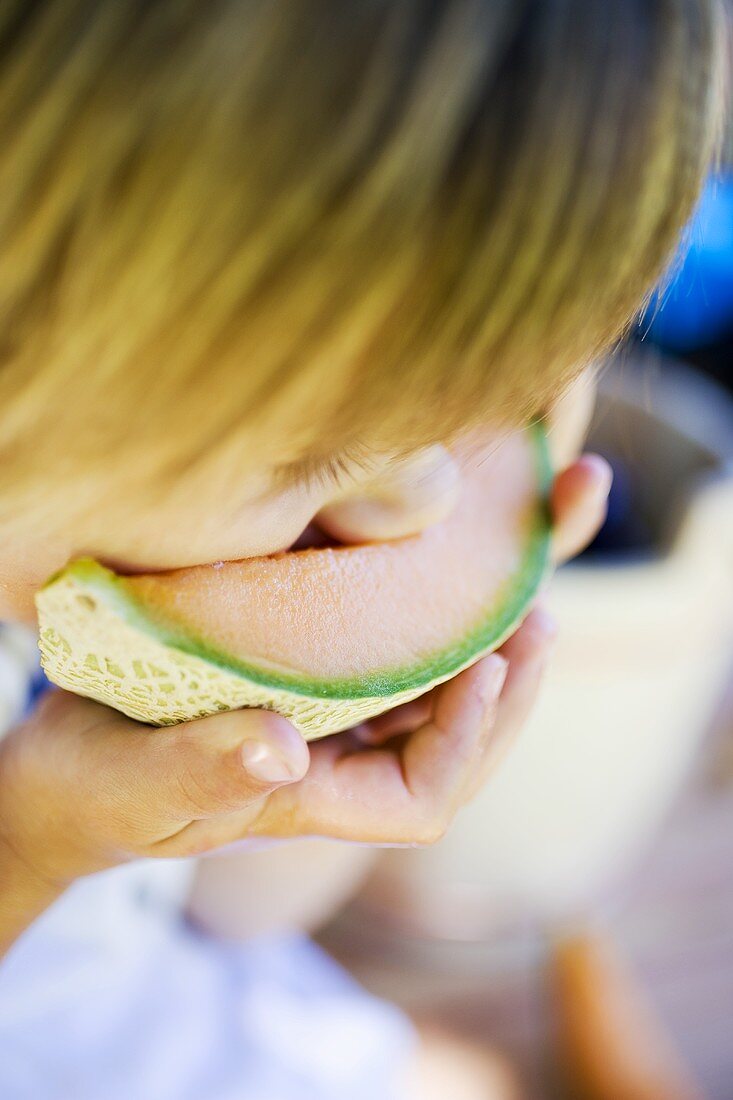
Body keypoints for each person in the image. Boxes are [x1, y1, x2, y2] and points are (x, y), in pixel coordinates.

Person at [0, 2, 725, 1097]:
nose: (415, 507)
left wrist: (336, 747)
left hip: (158, 1001)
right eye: (319, 457)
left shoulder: (100, 561)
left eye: (498, 402)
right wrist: (31, 839)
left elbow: (232, 913)